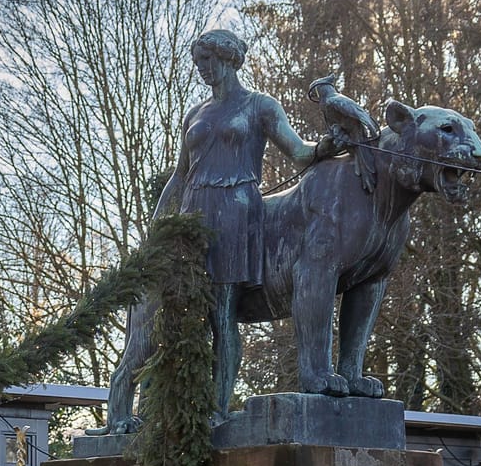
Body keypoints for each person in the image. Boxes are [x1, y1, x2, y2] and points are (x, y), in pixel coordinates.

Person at [94, 29, 345, 430]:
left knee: (222, 314)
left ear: (228, 59)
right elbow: (179, 176)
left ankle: (218, 409)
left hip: (236, 212)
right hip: (193, 214)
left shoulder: (260, 106)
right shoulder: (195, 113)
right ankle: (124, 413)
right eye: (198, 64)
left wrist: (325, 147)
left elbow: (297, 151)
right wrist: (155, 231)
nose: (203, 70)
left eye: (207, 61)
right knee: (157, 312)